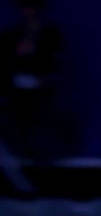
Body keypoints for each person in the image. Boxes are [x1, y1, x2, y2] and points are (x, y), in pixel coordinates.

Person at [0, 0, 65, 163]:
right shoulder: (13, 34)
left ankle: (41, 156)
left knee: (41, 123)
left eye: (33, 8)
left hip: (42, 89)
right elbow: (7, 60)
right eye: (26, 8)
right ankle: (19, 154)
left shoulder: (50, 35)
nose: (29, 12)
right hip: (16, 90)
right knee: (18, 121)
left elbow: (55, 61)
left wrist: (44, 79)